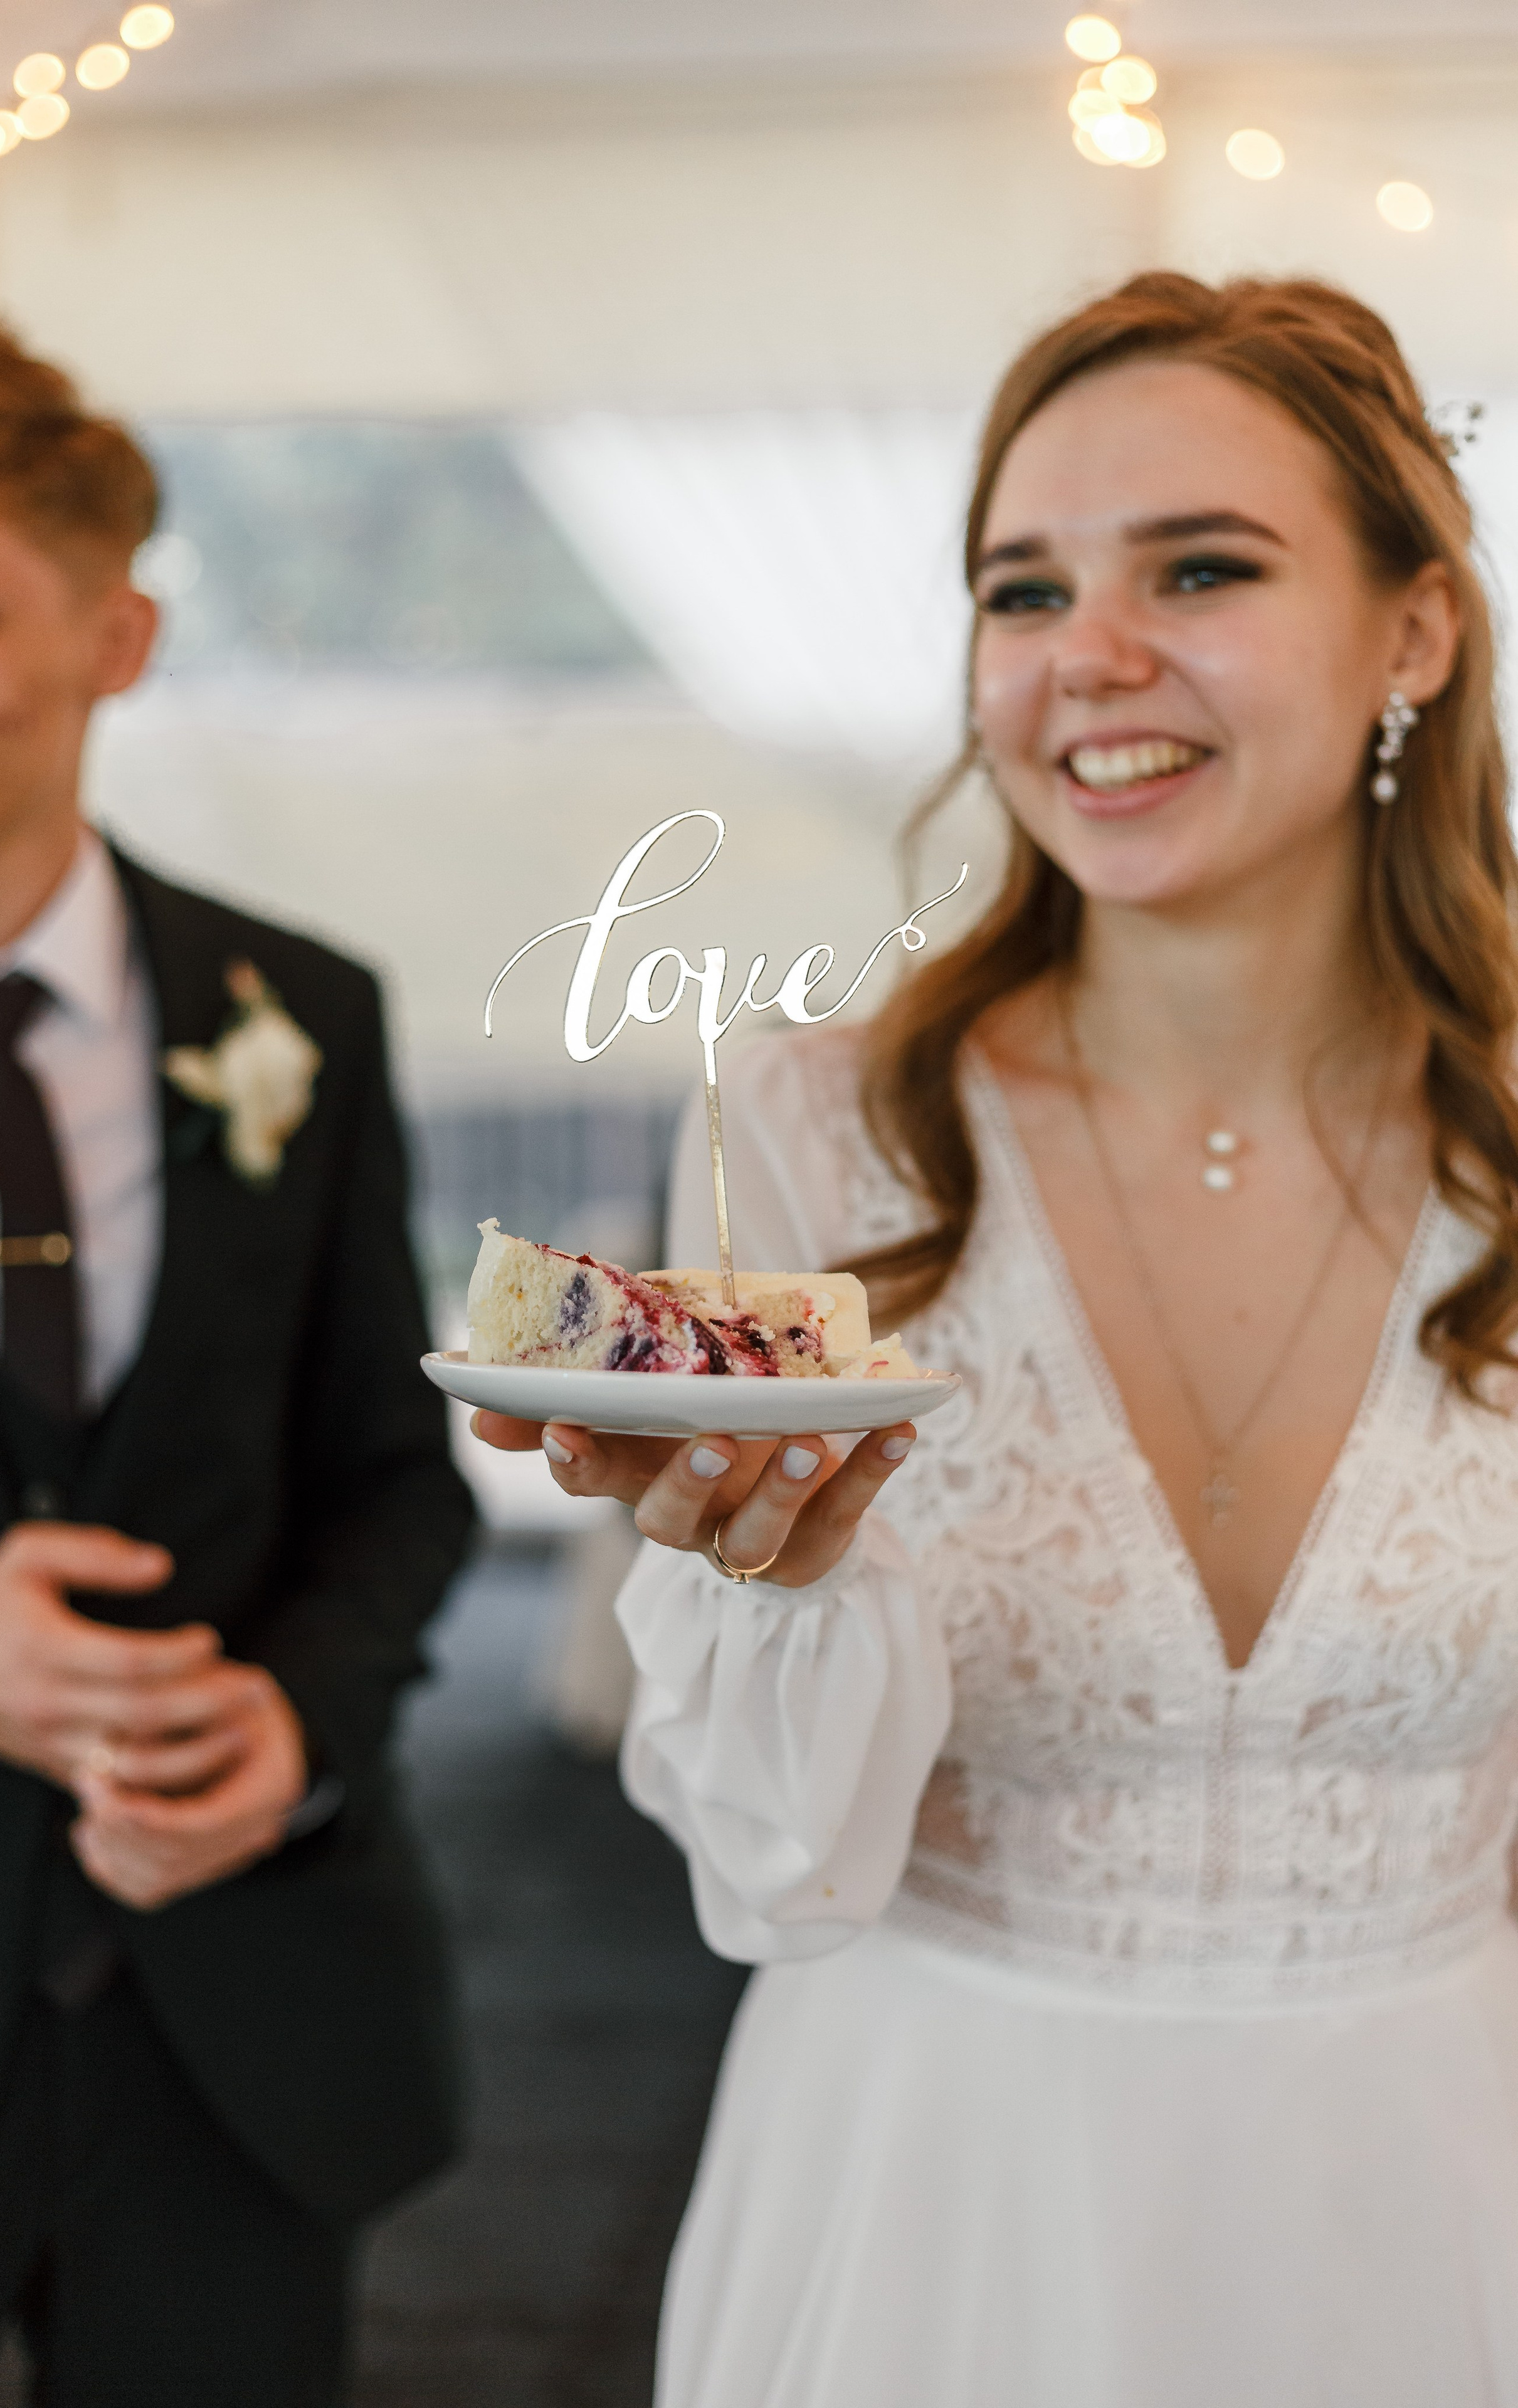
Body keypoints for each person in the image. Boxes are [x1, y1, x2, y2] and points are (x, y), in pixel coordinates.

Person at [475, 271, 1518, 2405]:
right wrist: (775, 1577)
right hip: (936, 2213)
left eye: (1202, 569)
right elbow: (768, 1866)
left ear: (1416, 629)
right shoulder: (812, 1130)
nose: (1088, 661)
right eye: (1020, 590)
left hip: (1435, 2198)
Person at [0, 323, 473, 2407]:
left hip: (235, 2016)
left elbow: (394, 1479)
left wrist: (293, 1725)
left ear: (116, 634)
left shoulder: (297, 1018)